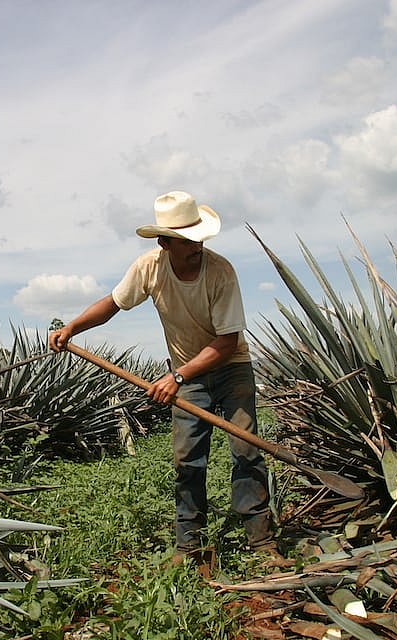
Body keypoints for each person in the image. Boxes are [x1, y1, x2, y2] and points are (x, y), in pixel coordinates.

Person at [48, 190, 271, 559]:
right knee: (187, 459)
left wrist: (178, 377)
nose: (195, 245)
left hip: (230, 370)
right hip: (189, 377)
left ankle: (260, 540)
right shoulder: (148, 268)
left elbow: (228, 342)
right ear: (165, 242)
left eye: (198, 237)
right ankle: (190, 545)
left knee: (246, 450)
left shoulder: (220, 272)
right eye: (185, 240)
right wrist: (72, 328)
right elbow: (113, 304)